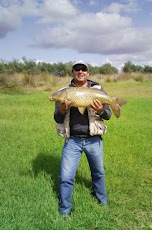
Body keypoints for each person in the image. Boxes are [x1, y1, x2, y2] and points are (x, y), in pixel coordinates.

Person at [54, 60, 113, 216]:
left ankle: (102, 202)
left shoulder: (98, 89)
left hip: (94, 139)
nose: (80, 71)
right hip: (72, 140)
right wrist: (61, 108)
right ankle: (65, 210)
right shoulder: (65, 91)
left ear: (88, 72)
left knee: (98, 172)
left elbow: (108, 115)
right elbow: (57, 119)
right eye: (77, 69)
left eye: (83, 69)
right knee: (66, 177)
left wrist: (101, 110)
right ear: (72, 72)